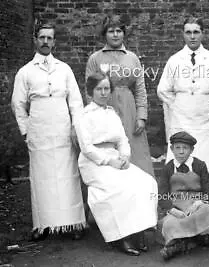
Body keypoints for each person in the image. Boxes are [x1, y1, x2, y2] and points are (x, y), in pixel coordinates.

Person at [11, 23, 86, 241]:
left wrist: (75, 127)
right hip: (39, 133)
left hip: (63, 132)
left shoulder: (64, 69)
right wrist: (26, 132)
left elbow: (76, 102)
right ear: (35, 39)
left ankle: (73, 224)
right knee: (42, 179)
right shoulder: (25, 72)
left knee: (67, 177)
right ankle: (43, 225)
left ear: (54, 42)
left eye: (49, 38)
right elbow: (18, 105)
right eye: (41, 37)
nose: (45, 42)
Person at [75, 72, 158, 256]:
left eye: (106, 89)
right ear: (91, 92)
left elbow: (122, 140)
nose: (104, 93)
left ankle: (139, 230)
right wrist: (109, 161)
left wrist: (125, 156)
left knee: (146, 182)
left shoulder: (112, 114)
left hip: (115, 157)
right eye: (99, 89)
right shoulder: (83, 115)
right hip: (94, 163)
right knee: (119, 188)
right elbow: (87, 148)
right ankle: (122, 237)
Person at [157, 16, 209, 208]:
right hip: (181, 117)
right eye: (188, 32)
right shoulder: (175, 60)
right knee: (180, 153)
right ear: (183, 34)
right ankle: (178, 199)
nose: (192, 36)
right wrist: (177, 105)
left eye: (196, 32)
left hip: (205, 118)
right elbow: (162, 89)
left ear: (202, 34)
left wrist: (208, 104)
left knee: (207, 155)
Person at [85, 14, 154, 176]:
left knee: (133, 149)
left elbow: (140, 89)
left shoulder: (132, 58)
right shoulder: (95, 59)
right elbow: (89, 90)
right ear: (104, 34)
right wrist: (94, 116)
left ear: (124, 33)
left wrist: (141, 116)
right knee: (109, 147)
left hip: (129, 109)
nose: (115, 35)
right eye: (111, 31)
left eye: (118, 31)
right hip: (106, 108)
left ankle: (138, 192)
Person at [158, 131, 209, 260]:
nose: (181, 152)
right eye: (177, 148)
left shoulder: (199, 165)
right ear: (171, 149)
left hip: (197, 207)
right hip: (178, 209)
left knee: (208, 210)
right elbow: (161, 194)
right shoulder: (168, 168)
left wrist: (198, 203)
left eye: (185, 148)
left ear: (192, 150)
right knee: (168, 224)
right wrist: (173, 210)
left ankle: (184, 242)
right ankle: (196, 240)